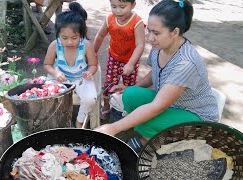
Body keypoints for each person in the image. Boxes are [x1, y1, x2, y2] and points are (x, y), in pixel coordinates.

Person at [94, 0, 219, 152]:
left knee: (148, 118)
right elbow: (155, 72)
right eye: (150, 31)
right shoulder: (160, 46)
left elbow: (157, 106)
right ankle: (152, 130)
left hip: (196, 116)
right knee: (130, 94)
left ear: (175, 32)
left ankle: (145, 139)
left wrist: (113, 128)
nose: (150, 38)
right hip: (171, 103)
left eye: (156, 33)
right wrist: (132, 86)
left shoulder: (186, 62)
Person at [44, 2, 98, 128]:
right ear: (58, 34)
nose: (69, 42)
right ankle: (56, 121)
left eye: (74, 38)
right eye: (64, 37)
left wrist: (90, 72)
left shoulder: (86, 46)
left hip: (81, 79)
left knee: (90, 99)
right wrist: (56, 73)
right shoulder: (54, 45)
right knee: (46, 95)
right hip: (60, 78)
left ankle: (79, 122)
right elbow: (47, 65)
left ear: (81, 35)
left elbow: (93, 65)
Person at [93, 0, 145, 119]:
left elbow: (140, 45)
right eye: (114, 6)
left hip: (131, 60)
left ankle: (127, 109)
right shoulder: (109, 19)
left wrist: (131, 63)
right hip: (114, 58)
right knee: (109, 83)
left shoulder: (137, 22)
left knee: (130, 86)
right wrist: (93, 52)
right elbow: (100, 35)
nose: (117, 10)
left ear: (133, 5)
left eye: (122, 7)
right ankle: (106, 106)